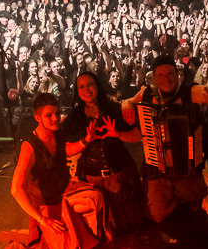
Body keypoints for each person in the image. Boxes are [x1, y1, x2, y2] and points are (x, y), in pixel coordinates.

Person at [121, 55, 208, 223]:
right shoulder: (146, 94)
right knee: (157, 215)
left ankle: (186, 195)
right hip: (157, 166)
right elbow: (129, 101)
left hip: (188, 166)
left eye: (170, 73)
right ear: (154, 78)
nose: (166, 79)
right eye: (160, 75)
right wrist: (126, 105)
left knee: (195, 210)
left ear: (177, 74)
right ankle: (177, 196)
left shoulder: (192, 92)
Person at [0, 93, 106, 249]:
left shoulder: (57, 133)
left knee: (95, 199)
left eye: (57, 113)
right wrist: (42, 219)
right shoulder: (29, 147)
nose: (55, 118)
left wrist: (86, 141)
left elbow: (66, 151)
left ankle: (68, 227)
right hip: (46, 203)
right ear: (37, 118)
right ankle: (35, 235)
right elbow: (15, 189)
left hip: (65, 192)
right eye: (49, 115)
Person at [61, 72, 145, 239]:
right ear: (77, 91)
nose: (87, 90)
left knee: (131, 229)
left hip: (121, 177)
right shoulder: (74, 118)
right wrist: (85, 141)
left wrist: (118, 134)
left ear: (97, 86)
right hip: (93, 181)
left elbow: (137, 135)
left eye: (90, 84)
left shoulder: (114, 109)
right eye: (82, 86)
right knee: (105, 233)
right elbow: (67, 150)